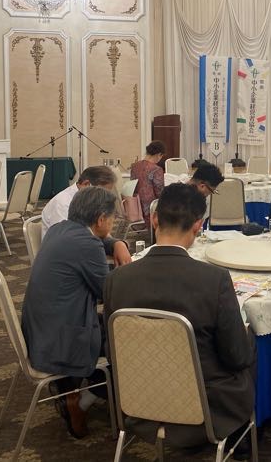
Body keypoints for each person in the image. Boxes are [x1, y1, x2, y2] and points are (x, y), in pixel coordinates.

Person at [104, 184, 256, 456]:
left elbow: (112, 350)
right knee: (249, 344)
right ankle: (240, 437)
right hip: (205, 406)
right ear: (198, 225)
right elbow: (236, 357)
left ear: (154, 219)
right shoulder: (214, 280)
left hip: (138, 400)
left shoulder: (116, 279)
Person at [21, 186, 120, 438]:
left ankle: (75, 389)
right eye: (113, 218)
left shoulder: (59, 229)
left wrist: (116, 243)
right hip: (60, 341)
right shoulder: (88, 245)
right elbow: (109, 293)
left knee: (110, 325)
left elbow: (100, 244)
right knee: (126, 338)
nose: (114, 223)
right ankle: (84, 399)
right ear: (101, 219)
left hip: (41, 330)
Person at [40, 165, 131, 266]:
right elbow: (67, 243)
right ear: (86, 184)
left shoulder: (89, 200)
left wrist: (116, 244)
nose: (104, 198)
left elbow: (99, 231)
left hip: (82, 250)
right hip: (66, 259)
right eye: (102, 192)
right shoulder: (62, 203)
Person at [130, 141, 165, 229]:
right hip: (150, 208)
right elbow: (160, 192)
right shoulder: (156, 169)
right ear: (159, 154)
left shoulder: (134, 166)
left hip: (136, 206)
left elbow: (133, 186)